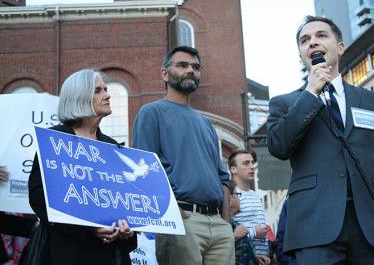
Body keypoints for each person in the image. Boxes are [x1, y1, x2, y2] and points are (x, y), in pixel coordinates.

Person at [267, 15, 374, 264]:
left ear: (339, 47)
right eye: (305, 40)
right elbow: (279, 146)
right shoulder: (286, 103)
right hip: (316, 226)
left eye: (321, 35)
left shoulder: (370, 101)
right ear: (301, 55)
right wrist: (311, 94)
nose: (313, 42)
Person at [132, 46, 234, 265]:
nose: (191, 70)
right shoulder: (151, 113)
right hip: (181, 220)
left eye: (196, 67)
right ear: (165, 73)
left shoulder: (206, 124)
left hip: (218, 226)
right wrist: (176, 214)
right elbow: (144, 169)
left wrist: (225, 223)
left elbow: (222, 177)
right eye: (183, 65)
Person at [28, 69, 137, 264]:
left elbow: (123, 199)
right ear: (79, 98)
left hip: (110, 254)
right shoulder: (55, 140)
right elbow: (38, 197)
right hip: (68, 251)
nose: (107, 94)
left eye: (105, 89)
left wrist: (127, 229)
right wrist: (88, 229)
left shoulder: (113, 147)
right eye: (98, 91)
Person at [228, 150, 270, 265]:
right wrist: (253, 232)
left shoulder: (254, 195)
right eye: (246, 163)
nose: (252, 166)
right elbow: (225, 233)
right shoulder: (230, 196)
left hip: (261, 259)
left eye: (252, 162)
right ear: (233, 169)